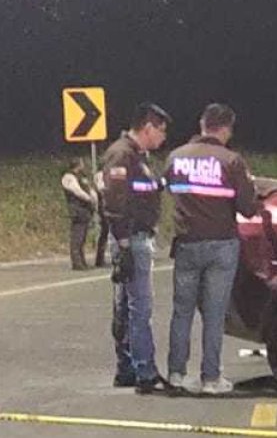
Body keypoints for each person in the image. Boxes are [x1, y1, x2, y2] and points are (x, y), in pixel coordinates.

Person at [164, 103, 263, 395]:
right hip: (221, 245)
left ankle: (176, 374)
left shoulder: (176, 157)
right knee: (214, 312)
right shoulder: (231, 161)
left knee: (181, 312)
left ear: (202, 124)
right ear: (225, 128)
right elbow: (247, 208)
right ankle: (210, 378)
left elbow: (171, 190)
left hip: (186, 243)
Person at [100, 101, 171, 393]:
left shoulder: (137, 156)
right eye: (161, 131)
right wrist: (125, 244)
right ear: (148, 127)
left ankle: (128, 367)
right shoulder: (121, 155)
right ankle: (145, 372)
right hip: (131, 239)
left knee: (127, 308)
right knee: (139, 307)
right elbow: (115, 204)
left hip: (135, 237)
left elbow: (144, 191)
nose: (163, 138)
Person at [61, 159, 98, 270]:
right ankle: (77, 263)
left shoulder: (82, 177)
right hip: (77, 209)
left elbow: (89, 189)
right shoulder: (69, 177)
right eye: (81, 163)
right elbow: (77, 191)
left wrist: (94, 199)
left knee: (82, 237)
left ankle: (82, 262)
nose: (83, 165)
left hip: (85, 209)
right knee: (77, 236)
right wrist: (88, 198)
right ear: (77, 165)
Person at [92, 170, 110, 268]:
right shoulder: (100, 175)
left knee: (106, 232)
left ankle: (101, 258)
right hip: (104, 206)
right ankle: (100, 259)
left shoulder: (106, 174)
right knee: (105, 232)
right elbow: (101, 189)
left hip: (107, 205)